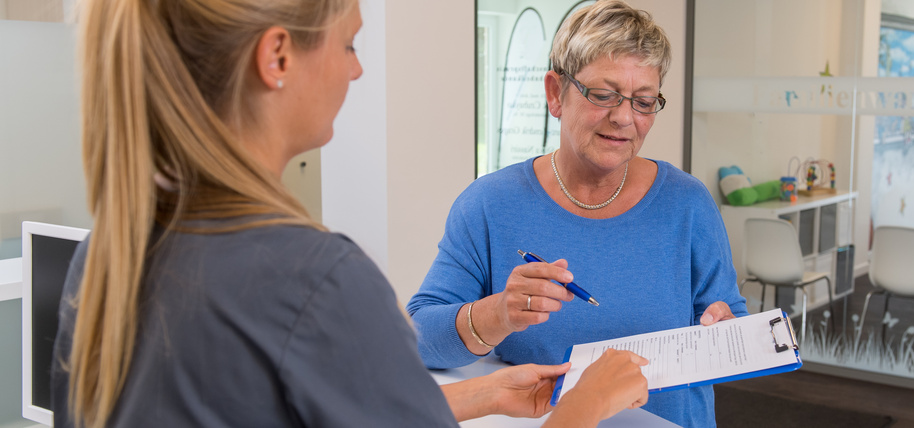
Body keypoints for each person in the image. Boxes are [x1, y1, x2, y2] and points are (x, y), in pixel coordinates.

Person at [50, 0, 651, 427]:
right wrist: (585, 406)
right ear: (278, 57)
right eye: (349, 43)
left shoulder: (108, 254)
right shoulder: (315, 280)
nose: (356, 68)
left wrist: (482, 395)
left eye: (644, 100)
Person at [406, 1, 749, 426]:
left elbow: (729, 318)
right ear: (555, 92)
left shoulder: (688, 204)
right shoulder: (489, 204)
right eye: (603, 95)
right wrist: (499, 313)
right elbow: (418, 340)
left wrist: (726, 329)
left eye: (643, 102)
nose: (624, 118)